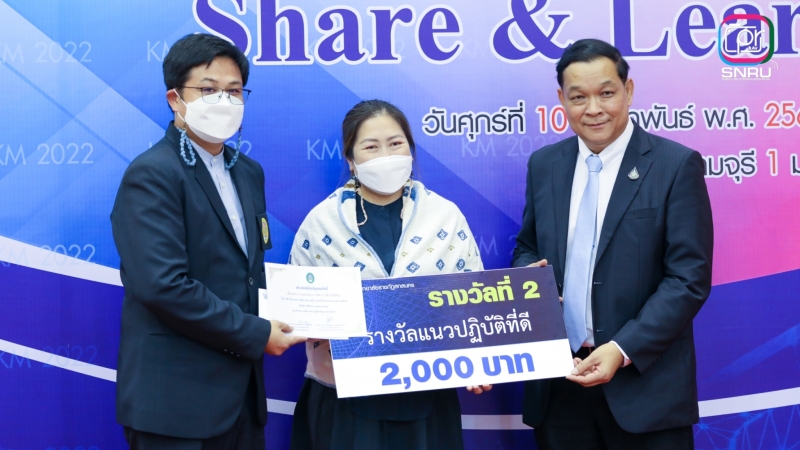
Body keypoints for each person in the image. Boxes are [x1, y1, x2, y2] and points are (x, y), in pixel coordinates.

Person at [512, 39, 713, 449]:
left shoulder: (675, 165)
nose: (594, 109)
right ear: (562, 100)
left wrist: (622, 349)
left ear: (628, 91)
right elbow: (527, 247)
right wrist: (529, 281)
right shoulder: (544, 165)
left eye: (606, 93)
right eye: (578, 97)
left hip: (644, 388)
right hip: (560, 384)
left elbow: (688, 278)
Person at [111, 33, 305, 449]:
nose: (224, 101)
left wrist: (310, 317)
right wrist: (257, 333)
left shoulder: (247, 171)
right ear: (175, 99)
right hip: (176, 405)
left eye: (234, 91)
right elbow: (162, 285)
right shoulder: (153, 173)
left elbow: (247, 274)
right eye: (208, 89)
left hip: (242, 402)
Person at [289, 100, 489, 450]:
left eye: (395, 144)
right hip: (343, 401)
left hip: (428, 397)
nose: (386, 156)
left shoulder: (445, 216)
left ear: (410, 150)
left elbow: (473, 301)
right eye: (371, 147)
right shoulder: (321, 224)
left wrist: (478, 359)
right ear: (350, 160)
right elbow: (297, 310)